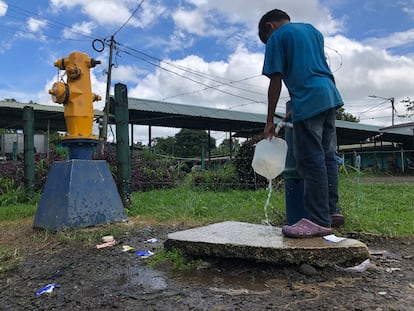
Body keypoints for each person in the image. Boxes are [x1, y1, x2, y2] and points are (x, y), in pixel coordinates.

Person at [258, 9, 344, 238]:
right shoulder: (312, 31)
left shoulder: (276, 37)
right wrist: (292, 110)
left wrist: (269, 120)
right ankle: (331, 210)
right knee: (327, 156)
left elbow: (275, 81)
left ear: (269, 27)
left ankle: (316, 219)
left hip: (308, 98)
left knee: (310, 158)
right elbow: (311, 70)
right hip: (329, 95)